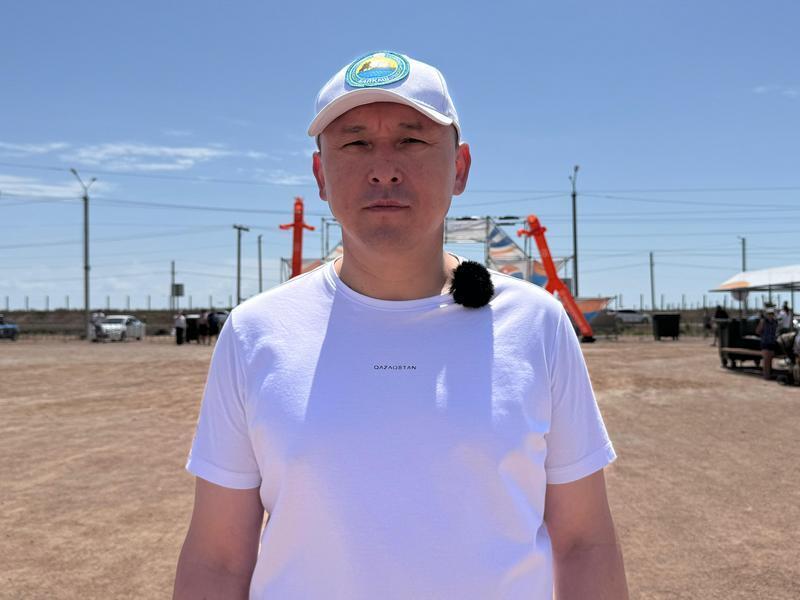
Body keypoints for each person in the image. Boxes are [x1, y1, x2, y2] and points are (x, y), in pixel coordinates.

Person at [174, 51, 628, 600]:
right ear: (320, 175)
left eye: (412, 140)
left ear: (460, 168)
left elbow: (583, 542)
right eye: (355, 143)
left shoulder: (537, 324)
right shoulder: (255, 333)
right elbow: (218, 559)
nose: (384, 168)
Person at [756, 306, 779, 379]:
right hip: (765, 342)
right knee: (766, 359)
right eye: (769, 314)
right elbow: (758, 331)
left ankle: (768, 375)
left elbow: (776, 331)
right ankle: (766, 375)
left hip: (772, 342)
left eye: (771, 313)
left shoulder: (775, 322)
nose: (770, 315)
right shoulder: (763, 321)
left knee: (770, 359)